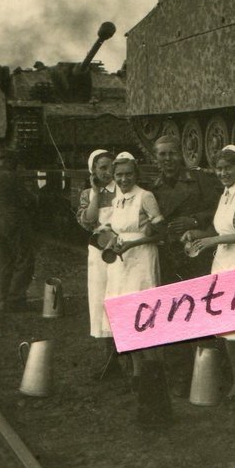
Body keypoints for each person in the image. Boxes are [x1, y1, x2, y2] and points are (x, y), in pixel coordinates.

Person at [182, 145, 235, 411]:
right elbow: (222, 229)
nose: (223, 173)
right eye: (219, 169)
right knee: (226, 324)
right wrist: (198, 235)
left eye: (228, 168)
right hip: (225, 260)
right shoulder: (226, 193)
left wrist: (213, 241)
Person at [151, 134, 222, 397]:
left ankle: (208, 375)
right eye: (162, 154)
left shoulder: (199, 179)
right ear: (155, 158)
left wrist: (193, 220)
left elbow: (220, 208)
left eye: (172, 153)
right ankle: (179, 376)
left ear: (181, 154)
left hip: (196, 256)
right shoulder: (153, 187)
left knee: (202, 313)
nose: (168, 159)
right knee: (173, 315)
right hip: (169, 257)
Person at [105, 152, 170, 429]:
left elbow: (161, 233)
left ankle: (154, 389)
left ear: (136, 174)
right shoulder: (116, 199)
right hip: (121, 263)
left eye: (128, 174)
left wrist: (134, 243)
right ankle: (136, 372)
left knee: (144, 320)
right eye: (119, 175)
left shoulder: (146, 197)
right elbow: (113, 229)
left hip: (142, 260)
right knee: (125, 316)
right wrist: (112, 241)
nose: (123, 179)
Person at [76, 149, 117, 378]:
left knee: (119, 298)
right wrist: (95, 192)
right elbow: (89, 220)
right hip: (99, 254)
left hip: (119, 250)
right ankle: (109, 358)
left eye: (111, 167)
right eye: (102, 168)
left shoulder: (122, 189)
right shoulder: (87, 194)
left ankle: (122, 356)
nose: (107, 172)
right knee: (101, 301)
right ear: (93, 171)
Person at [0, 148, 37, 312]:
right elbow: (27, 199)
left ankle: (5, 297)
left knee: (6, 262)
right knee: (25, 260)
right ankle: (15, 300)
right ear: (10, 161)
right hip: (15, 221)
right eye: (15, 163)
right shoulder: (11, 177)